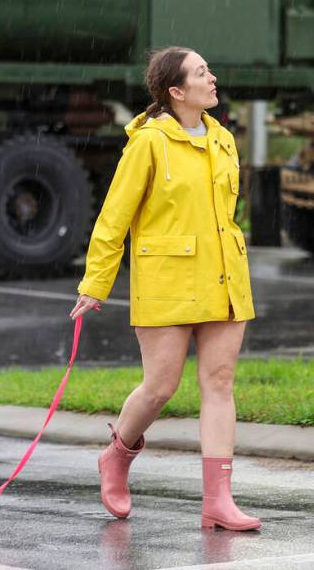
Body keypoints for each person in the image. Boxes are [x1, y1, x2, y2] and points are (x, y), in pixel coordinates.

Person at [69, 46, 259, 531]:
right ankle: (116, 456)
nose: (212, 78)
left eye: (209, 70)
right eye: (201, 73)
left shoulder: (223, 139)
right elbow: (114, 217)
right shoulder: (148, 143)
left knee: (219, 384)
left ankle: (218, 501)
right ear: (176, 91)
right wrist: (95, 284)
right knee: (160, 387)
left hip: (224, 281)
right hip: (168, 282)